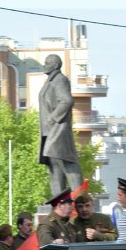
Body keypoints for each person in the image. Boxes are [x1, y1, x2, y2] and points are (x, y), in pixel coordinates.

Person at [38, 54, 83, 194]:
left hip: (58, 129)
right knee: (54, 168)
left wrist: (53, 117)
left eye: (48, 62)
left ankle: (79, 198)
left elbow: (67, 101)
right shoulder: (50, 81)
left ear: (56, 65)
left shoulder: (60, 80)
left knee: (66, 163)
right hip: (48, 131)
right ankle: (58, 204)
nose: (44, 65)